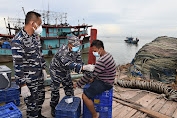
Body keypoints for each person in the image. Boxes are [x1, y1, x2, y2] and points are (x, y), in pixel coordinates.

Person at [11, 11, 47, 118]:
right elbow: (18, 65)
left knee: (40, 99)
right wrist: (22, 85)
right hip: (29, 81)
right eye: (39, 24)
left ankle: (39, 115)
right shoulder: (18, 40)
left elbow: (40, 54)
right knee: (32, 106)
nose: (40, 27)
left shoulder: (35, 37)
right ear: (32, 23)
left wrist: (43, 69)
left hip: (39, 77)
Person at [74, 40, 116, 118]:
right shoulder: (108, 55)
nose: (94, 52)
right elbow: (97, 71)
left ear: (100, 49)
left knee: (84, 96)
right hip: (107, 78)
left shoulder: (102, 61)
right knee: (90, 80)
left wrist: (77, 84)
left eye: (95, 51)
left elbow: (89, 76)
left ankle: (94, 114)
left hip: (106, 83)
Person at [49, 35, 87, 117]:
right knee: (55, 91)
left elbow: (79, 62)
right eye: (75, 45)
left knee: (69, 87)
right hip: (56, 71)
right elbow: (69, 64)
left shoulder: (77, 50)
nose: (76, 47)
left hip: (65, 71)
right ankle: (53, 107)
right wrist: (82, 68)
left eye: (77, 45)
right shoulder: (62, 51)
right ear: (69, 44)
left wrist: (86, 70)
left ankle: (70, 105)